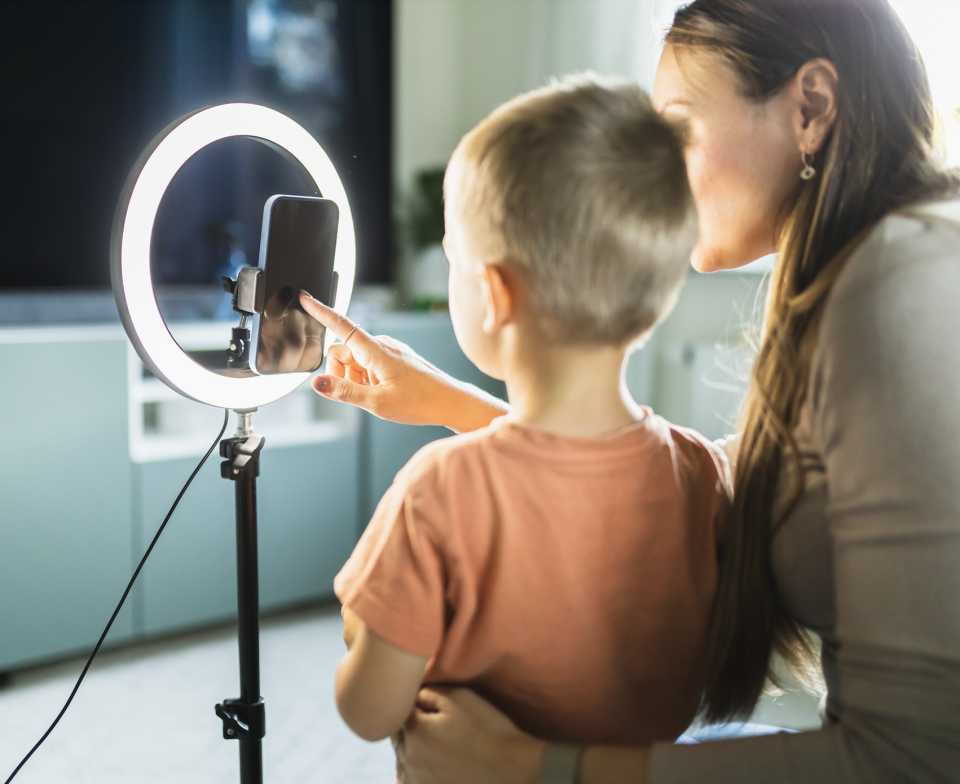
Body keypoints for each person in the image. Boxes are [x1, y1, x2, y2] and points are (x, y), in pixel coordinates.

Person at [299, 0, 960, 780]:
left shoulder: (900, 290)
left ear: (810, 108)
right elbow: (691, 486)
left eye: (675, 129)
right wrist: (446, 401)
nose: (654, 173)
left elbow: (917, 757)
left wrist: (538, 766)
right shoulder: (866, 278)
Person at [322, 74, 733, 752]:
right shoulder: (698, 472)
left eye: (453, 257)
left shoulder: (438, 493)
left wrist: (365, 621)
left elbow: (367, 711)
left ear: (493, 295)